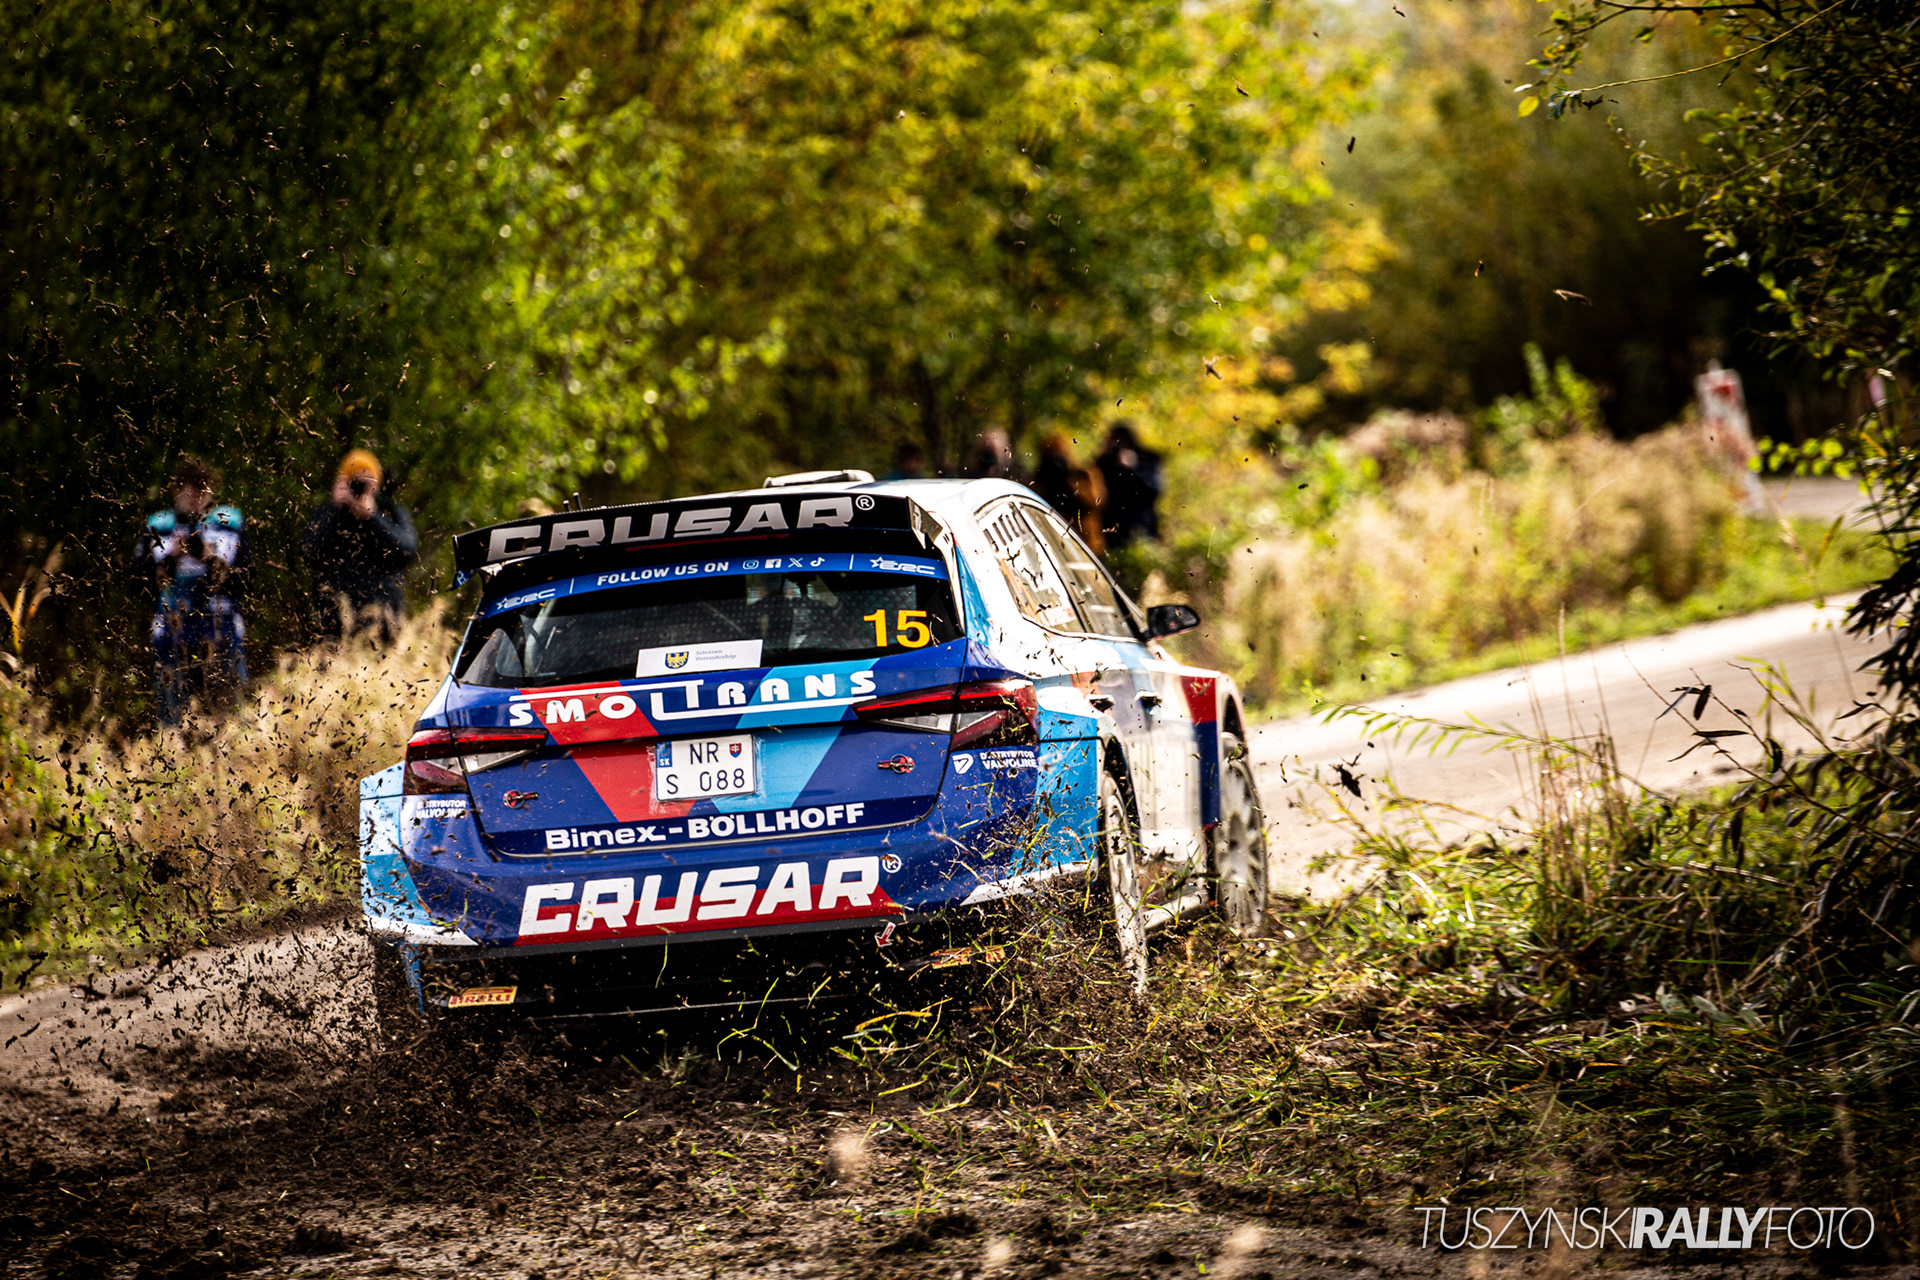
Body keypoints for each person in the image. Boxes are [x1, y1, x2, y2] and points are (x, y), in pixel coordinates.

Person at [131, 456, 253, 724]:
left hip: (221, 628)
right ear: (176, 490)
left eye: (203, 490)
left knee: (231, 713)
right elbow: (137, 583)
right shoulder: (159, 525)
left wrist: (212, 560)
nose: (197, 498)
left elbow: (248, 579)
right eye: (191, 490)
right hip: (172, 631)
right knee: (173, 715)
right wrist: (170, 557)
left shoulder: (229, 522)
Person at [301, 448, 419, 643]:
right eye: (354, 480)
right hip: (335, 621)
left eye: (366, 481)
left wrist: (373, 517)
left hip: (383, 619)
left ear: (377, 483)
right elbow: (308, 552)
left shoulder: (391, 511)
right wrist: (335, 509)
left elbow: (408, 551)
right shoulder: (328, 512)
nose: (359, 486)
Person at [1031, 432, 1108, 553]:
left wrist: (1070, 481)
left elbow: (1095, 502)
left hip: (1085, 542)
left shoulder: (1083, 475)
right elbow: (1034, 507)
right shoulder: (1041, 479)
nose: (1055, 464)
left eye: (1058, 457)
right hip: (1054, 541)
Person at [1096, 421, 1163, 549]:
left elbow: (1152, 491)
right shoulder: (1105, 461)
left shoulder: (1147, 458)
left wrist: (1133, 468)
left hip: (1141, 527)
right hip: (1111, 529)